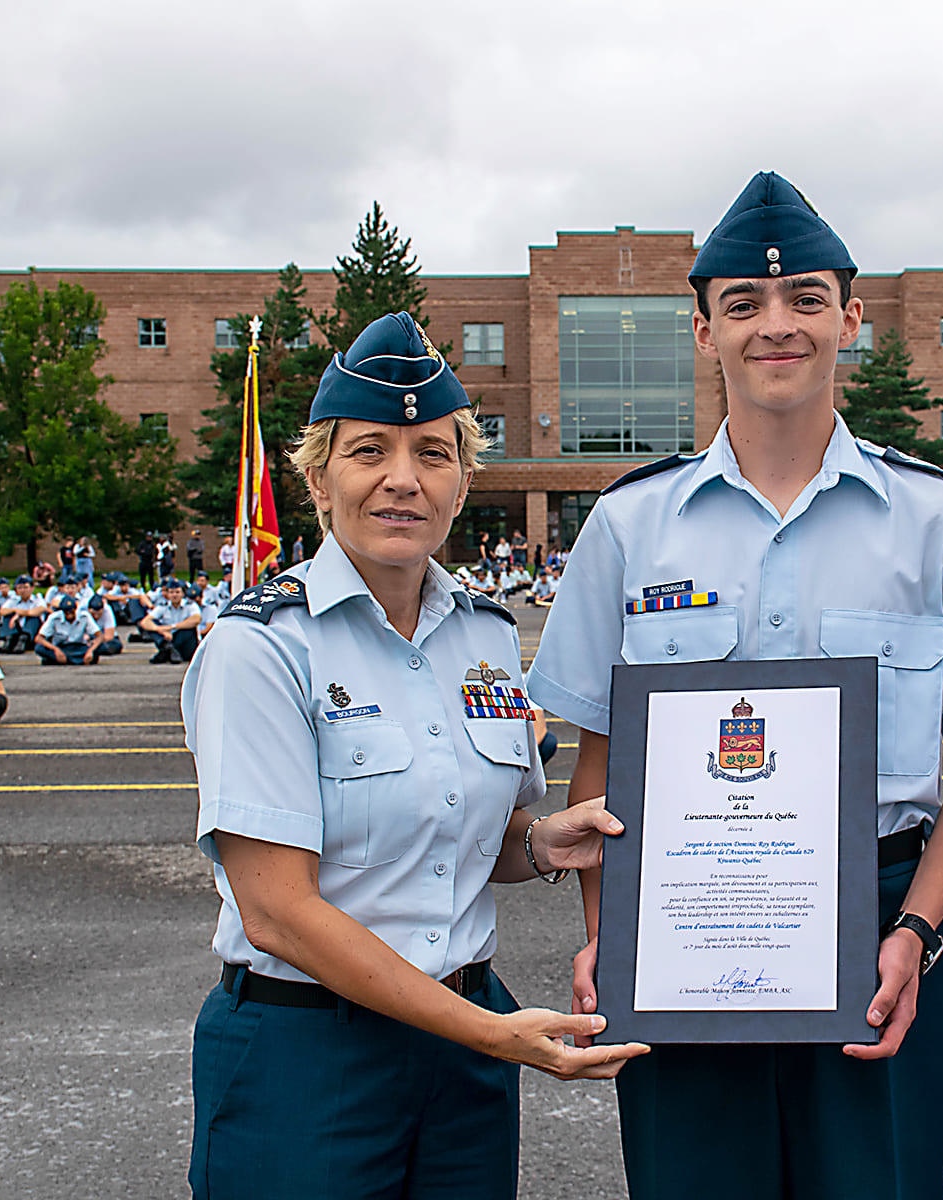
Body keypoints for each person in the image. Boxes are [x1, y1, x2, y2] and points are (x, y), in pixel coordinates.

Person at [527, 172, 943, 1200]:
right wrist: (605, 935)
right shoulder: (629, 526)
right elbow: (601, 765)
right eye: (743, 305)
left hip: (881, 924)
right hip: (681, 924)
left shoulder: (939, 521)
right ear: (704, 331)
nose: (776, 325)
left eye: (805, 298)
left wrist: (916, 933)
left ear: (850, 317)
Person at [182, 311, 647, 1200]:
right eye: (369, 452)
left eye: (433, 454)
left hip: (462, 1062)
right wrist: (489, 1035)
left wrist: (544, 843)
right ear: (317, 477)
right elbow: (277, 913)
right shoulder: (263, 648)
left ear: (464, 482)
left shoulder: (486, 638)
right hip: (309, 1057)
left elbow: (471, 841)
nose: (403, 480)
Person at [140, 578, 201, 664]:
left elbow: (196, 619)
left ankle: (168, 652)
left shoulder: (190, 605)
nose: (174, 595)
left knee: (188, 628)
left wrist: (171, 627)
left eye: (177, 592)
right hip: (167, 638)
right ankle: (169, 649)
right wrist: (160, 630)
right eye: (171, 592)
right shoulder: (163, 606)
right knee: (151, 624)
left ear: (183, 594)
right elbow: (145, 622)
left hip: (185, 641)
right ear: (167, 595)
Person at [35, 597, 101, 665]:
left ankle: (61, 661)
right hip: (61, 647)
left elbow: (99, 635)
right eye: (66, 612)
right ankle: (75, 660)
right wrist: (55, 649)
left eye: (71, 611)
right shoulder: (54, 617)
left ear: (75, 609)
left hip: (79, 647)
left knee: (100, 647)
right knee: (39, 648)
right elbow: (39, 638)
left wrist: (90, 651)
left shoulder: (84, 616)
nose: (69, 614)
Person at [0, 577, 48, 652]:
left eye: (25, 587)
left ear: (32, 588)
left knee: (33, 618)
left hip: (31, 635)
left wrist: (19, 614)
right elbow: (2, 611)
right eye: (20, 588)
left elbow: (38, 611)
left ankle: (22, 642)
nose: (22, 590)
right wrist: (15, 611)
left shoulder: (38, 600)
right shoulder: (13, 600)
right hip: (17, 632)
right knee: (8, 616)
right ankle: (9, 641)